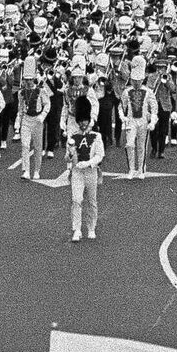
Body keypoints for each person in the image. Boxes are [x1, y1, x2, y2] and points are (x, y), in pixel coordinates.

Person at [67, 94, 105, 242]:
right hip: (77, 172)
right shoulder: (73, 136)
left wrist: (89, 163)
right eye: (80, 121)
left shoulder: (97, 136)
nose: (83, 124)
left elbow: (100, 155)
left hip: (91, 172)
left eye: (85, 120)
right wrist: (70, 153)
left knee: (91, 201)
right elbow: (67, 158)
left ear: (89, 120)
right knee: (76, 200)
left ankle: (91, 228)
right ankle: (76, 229)